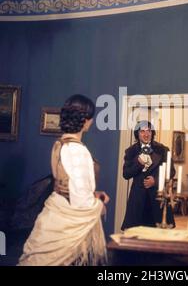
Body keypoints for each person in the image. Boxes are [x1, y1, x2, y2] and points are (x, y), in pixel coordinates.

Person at [18, 94, 109, 266]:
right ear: (85, 120)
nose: (91, 121)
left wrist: (94, 194)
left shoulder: (59, 144)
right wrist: (100, 205)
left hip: (56, 211)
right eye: (91, 117)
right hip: (68, 225)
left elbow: (65, 185)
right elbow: (81, 202)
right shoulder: (77, 150)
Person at [121, 120, 176, 230]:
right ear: (137, 133)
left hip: (158, 198)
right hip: (138, 199)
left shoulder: (163, 149)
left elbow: (171, 171)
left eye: (149, 131)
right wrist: (138, 164)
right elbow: (126, 174)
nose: (146, 134)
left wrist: (155, 181)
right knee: (135, 235)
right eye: (142, 131)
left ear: (152, 133)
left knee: (159, 236)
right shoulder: (130, 151)